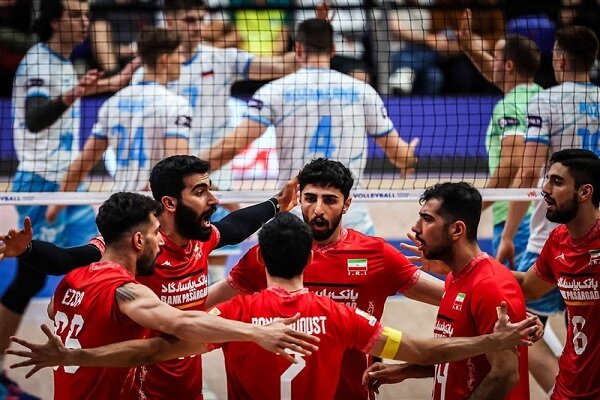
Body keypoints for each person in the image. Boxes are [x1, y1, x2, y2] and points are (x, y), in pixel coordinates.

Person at [7, 213, 538, 400]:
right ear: (308, 256)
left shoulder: (230, 317)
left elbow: (149, 353)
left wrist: (72, 358)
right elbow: (420, 348)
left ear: (259, 260)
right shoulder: (340, 315)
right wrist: (491, 341)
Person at [1, 155, 302, 399]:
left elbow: (235, 227)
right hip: (141, 378)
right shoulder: (134, 249)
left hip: (186, 379)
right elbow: (67, 260)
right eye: (200, 192)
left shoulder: (201, 239)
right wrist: (28, 250)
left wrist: (276, 203)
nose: (213, 199)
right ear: (170, 203)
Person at [205, 158, 447, 399]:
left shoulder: (376, 254)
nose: (318, 209)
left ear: (347, 204)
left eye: (329, 200)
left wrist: (451, 269)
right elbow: (201, 303)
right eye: (310, 198)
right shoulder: (272, 252)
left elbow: (454, 299)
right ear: (299, 199)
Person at [2, 0, 136, 394]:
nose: (84, 22)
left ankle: (102, 359)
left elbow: (76, 90)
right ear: (54, 21)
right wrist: (74, 93)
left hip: (67, 184)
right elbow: (34, 118)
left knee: (100, 258)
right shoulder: (38, 62)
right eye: (75, 15)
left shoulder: (63, 61)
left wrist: (116, 80)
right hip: (39, 182)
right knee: (31, 277)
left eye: (86, 15)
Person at [199, 18, 419, 236]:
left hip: (295, 221)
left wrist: (191, 170)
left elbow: (233, 145)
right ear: (333, 50)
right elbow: (400, 155)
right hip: (349, 221)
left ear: (298, 49)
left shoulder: (274, 91)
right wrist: (408, 159)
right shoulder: (363, 92)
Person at [458, 9, 560, 392]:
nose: (489, 61)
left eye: (496, 55)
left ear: (509, 66)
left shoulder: (512, 106)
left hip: (519, 223)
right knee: (545, 321)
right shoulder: (540, 97)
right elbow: (491, 65)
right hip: (547, 220)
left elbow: (512, 170)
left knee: (519, 329)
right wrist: (467, 42)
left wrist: (467, 208)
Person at [498, 26, 599, 395]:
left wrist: (508, 234)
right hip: (592, 225)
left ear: (559, 59)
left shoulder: (545, 102)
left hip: (549, 236)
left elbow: (528, 173)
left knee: (520, 323)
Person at [363, 182, 530, 399]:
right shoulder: (454, 278)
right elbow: (461, 359)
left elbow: (505, 374)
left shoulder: (491, 286)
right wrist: (404, 370)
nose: (416, 227)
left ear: (457, 230)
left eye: (427, 219)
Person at [45, 25, 191, 209]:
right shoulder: (176, 104)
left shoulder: (112, 103)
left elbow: (81, 164)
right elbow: (175, 166)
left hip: (121, 207)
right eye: (179, 54)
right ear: (165, 59)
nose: (183, 59)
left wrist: (55, 207)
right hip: (155, 207)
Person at [511, 149, 600, 399]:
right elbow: (529, 286)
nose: (545, 189)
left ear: (585, 192)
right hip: (568, 386)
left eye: (557, 182)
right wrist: (470, 265)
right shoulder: (559, 239)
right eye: (547, 179)